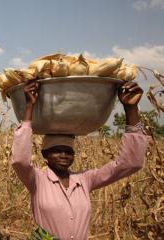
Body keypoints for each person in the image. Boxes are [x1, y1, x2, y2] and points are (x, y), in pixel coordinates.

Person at [11, 81, 149, 240]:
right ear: (45, 154)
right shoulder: (37, 179)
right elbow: (20, 160)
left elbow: (130, 163)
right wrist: (29, 106)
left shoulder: (84, 180)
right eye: (56, 151)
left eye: (68, 151)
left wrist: (130, 108)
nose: (63, 155)